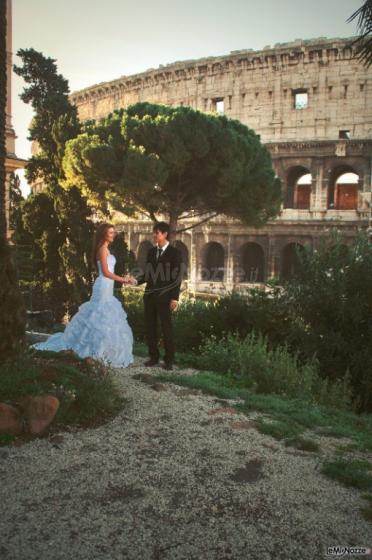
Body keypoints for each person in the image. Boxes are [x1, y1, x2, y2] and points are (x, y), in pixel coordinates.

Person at [31, 223, 135, 368]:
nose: (113, 235)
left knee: (106, 315)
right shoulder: (102, 249)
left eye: (113, 232)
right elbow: (105, 272)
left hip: (108, 285)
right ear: (104, 234)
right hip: (104, 284)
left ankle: (105, 350)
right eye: (110, 232)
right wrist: (125, 279)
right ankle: (92, 348)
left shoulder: (106, 249)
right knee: (98, 314)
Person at [133, 221, 183, 370]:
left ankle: (169, 360)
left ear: (165, 234)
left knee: (166, 328)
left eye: (157, 233)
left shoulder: (175, 253)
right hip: (149, 297)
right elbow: (148, 274)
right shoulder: (151, 252)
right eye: (154, 233)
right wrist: (136, 280)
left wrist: (175, 298)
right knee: (150, 328)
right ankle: (153, 357)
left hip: (166, 298)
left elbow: (177, 278)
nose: (154, 235)